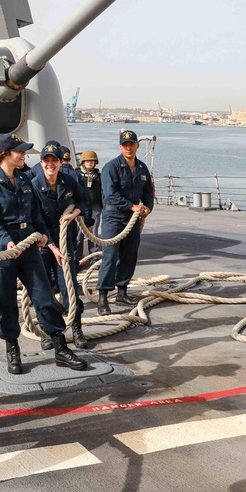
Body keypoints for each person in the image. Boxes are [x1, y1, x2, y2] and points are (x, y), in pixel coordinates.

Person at [0, 132, 87, 374]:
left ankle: (60, 347)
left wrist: (43, 234)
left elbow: (36, 214)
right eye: (19, 151)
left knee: (44, 296)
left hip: (28, 246)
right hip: (5, 251)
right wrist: (6, 243)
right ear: (5, 154)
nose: (23, 155)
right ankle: (12, 349)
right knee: (6, 302)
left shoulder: (26, 179)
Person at [31, 142, 91, 349]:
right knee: (43, 289)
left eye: (54, 160)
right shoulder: (34, 185)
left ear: (60, 162)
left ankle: (76, 327)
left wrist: (74, 213)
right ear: (41, 163)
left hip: (66, 241)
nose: (50, 164)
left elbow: (84, 201)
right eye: (46, 160)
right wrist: (52, 246)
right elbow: (35, 219)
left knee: (69, 284)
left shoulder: (69, 181)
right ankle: (47, 332)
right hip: (43, 243)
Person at [96, 129, 154, 316]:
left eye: (131, 144)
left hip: (133, 218)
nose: (128, 148)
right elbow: (110, 194)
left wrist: (148, 207)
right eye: (125, 145)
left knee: (130, 255)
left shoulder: (142, 168)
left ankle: (122, 291)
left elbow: (148, 191)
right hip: (113, 217)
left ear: (137, 145)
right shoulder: (111, 167)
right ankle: (103, 296)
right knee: (110, 256)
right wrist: (132, 206)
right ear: (120, 147)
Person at [75, 149, 102, 258]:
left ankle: (94, 257)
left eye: (92, 161)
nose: (89, 163)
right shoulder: (76, 175)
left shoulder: (98, 176)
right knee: (79, 234)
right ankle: (77, 258)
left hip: (94, 206)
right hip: (80, 208)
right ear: (83, 162)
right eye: (87, 161)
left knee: (93, 234)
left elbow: (102, 191)